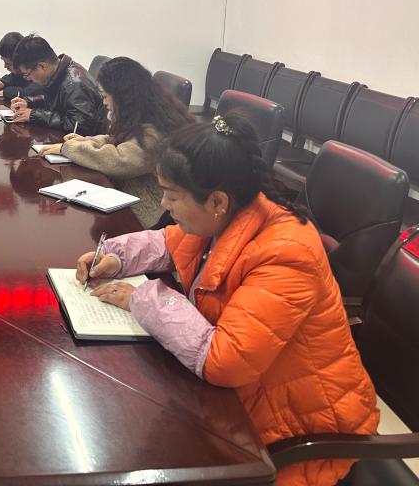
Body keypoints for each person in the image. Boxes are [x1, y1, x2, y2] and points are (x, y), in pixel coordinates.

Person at [77, 116, 379, 486]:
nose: (165, 204)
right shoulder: (230, 214)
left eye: (172, 195)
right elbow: (170, 241)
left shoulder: (286, 253)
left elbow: (224, 361)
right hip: (242, 400)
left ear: (217, 201)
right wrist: (116, 255)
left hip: (299, 431)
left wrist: (143, 299)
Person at [39, 57, 194, 228]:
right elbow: (114, 139)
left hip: (153, 218)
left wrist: (69, 149)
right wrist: (84, 141)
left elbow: (120, 160)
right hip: (130, 199)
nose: (104, 102)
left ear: (123, 97)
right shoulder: (144, 114)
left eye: (106, 96)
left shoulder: (156, 129)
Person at [8, 34, 105, 135]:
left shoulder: (75, 84)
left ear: (42, 66)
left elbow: (78, 126)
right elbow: (58, 100)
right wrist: (29, 103)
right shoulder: (58, 74)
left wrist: (34, 115)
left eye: (27, 74)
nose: (28, 79)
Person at [0, 31, 44, 102]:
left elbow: (29, 92)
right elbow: (15, 77)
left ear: (19, 60)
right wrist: (3, 82)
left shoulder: (37, 69)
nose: (5, 66)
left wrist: (5, 92)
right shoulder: (21, 71)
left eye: (8, 63)